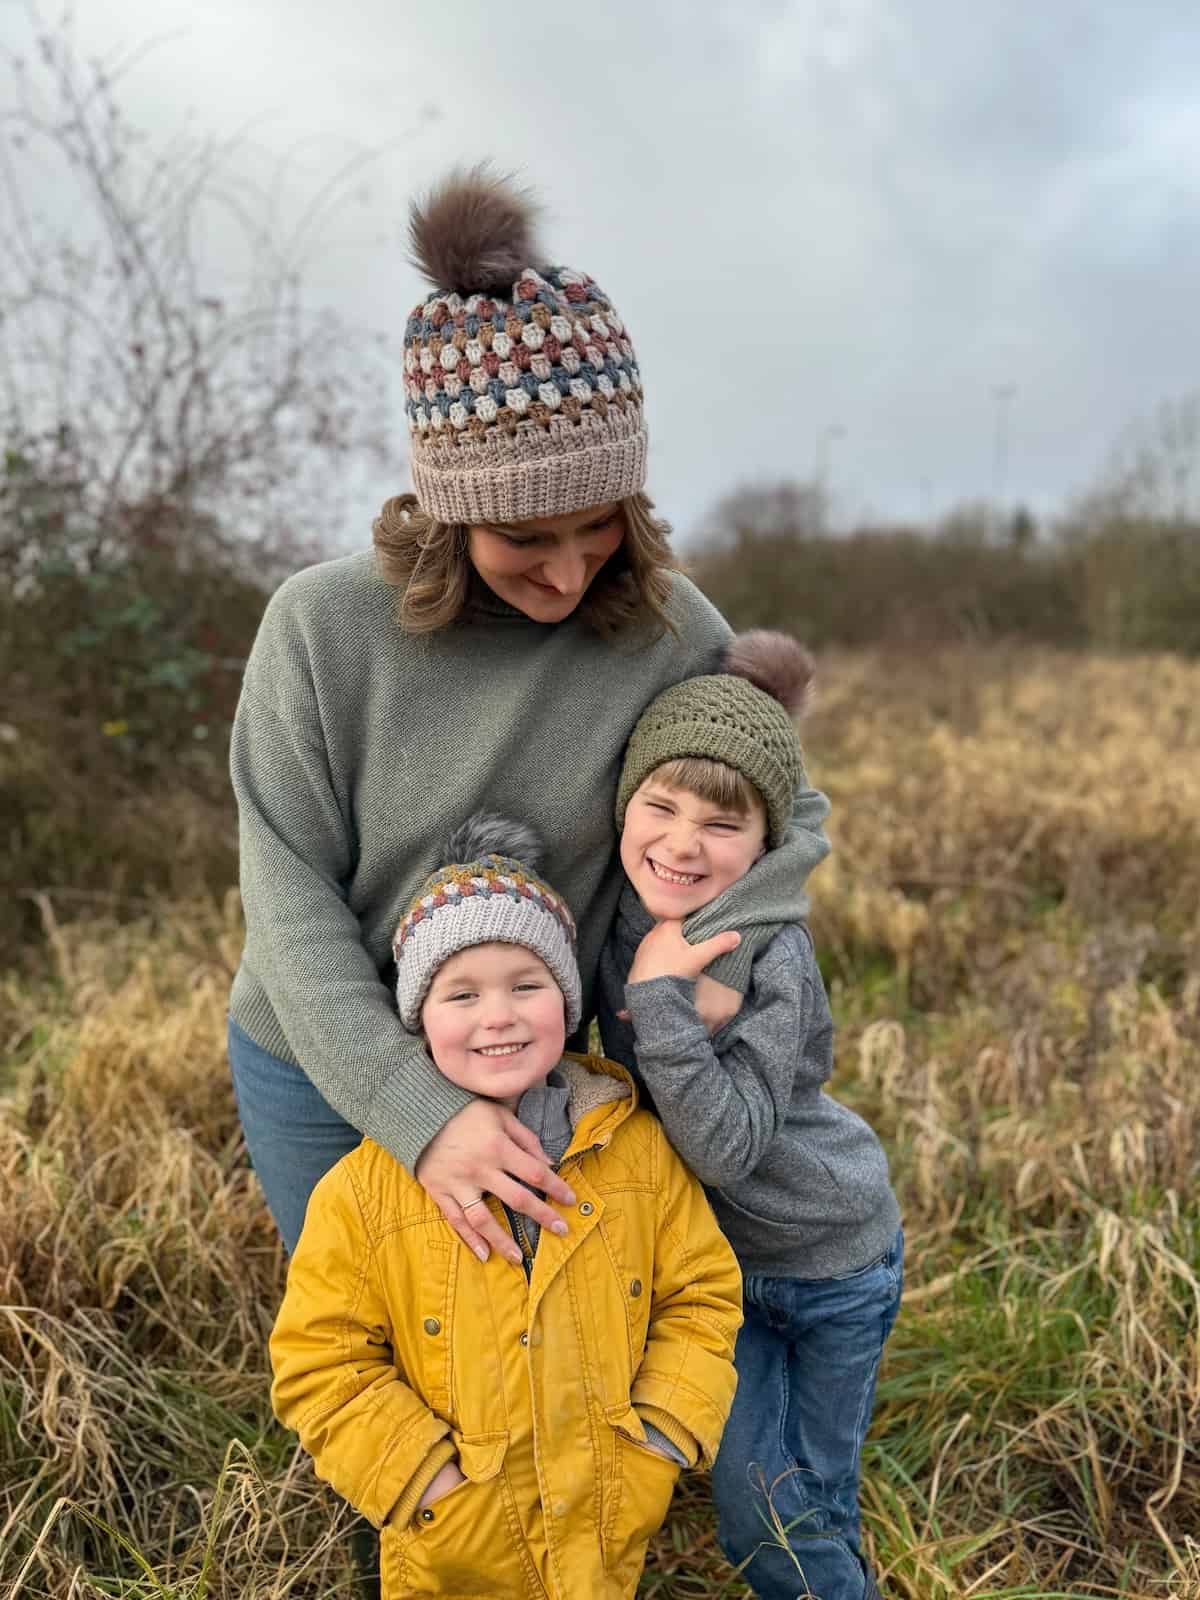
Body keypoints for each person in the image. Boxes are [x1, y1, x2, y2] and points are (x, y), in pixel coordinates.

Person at [227, 162, 831, 1268]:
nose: (565, 575)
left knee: (540, 1367)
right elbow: (285, 889)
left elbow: (786, 808)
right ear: (452, 512)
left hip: (546, 1060)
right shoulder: (319, 628)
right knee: (373, 1359)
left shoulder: (665, 623)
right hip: (325, 1057)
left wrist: (704, 962)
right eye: (525, 541)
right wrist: (416, 1109)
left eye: (596, 528)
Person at [269, 814, 743, 1600]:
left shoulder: (634, 1151)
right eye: (462, 993)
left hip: (604, 1537)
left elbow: (702, 1294)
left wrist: (659, 1437)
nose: (499, 1015)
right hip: (451, 1550)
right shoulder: (366, 1190)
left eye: (528, 985)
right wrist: (426, 1484)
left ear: (565, 999)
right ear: (417, 1019)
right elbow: (322, 1361)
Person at [595, 631, 903, 1600]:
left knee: (787, 1503)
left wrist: (663, 1005)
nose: (684, 842)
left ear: (766, 844)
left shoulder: (771, 958)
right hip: (714, 1275)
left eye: (722, 824)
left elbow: (727, 1148)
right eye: (661, 807)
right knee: (768, 1494)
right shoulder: (611, 923)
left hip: (829, 1259)